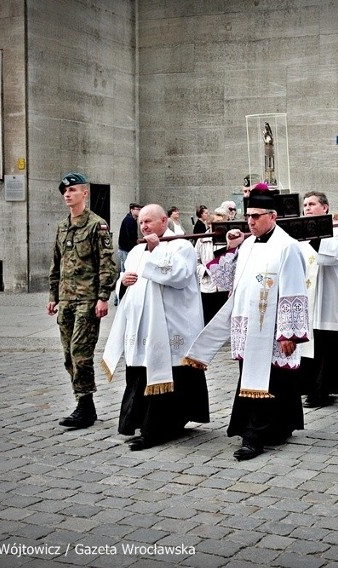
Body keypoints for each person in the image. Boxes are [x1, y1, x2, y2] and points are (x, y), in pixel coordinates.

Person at [183, 186, 310, 461]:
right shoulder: (248, 244)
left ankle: (257, 436)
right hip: (247, 326)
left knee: (274, 380)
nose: (250, 221)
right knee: (254, 378)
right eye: (248, 215)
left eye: (255, 216)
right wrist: (230, 248)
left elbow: (293, 289)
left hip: (273, 330)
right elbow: (228, 282)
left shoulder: (287, 246)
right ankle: (267, 428)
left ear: (272, 216)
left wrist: (287, 333)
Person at [101, 205, 209, 450]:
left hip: (171, 327)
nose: (144, 226)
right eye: (141, 223)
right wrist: (123, 282)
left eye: (149, 221)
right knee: (139, 374)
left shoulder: (181, 246)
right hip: (140, 326)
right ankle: (139, 422)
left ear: (164, 221)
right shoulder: (137, 250)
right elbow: (127, 278)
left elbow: (179, 275)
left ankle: (161, 427)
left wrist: (156, 249)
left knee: (168, 375)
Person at [47, 172, 116, 428]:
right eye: (65, 191)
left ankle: (85, 407)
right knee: (68, 355)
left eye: (73, 190)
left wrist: (103, 297)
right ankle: (84, 403)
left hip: (87, 301)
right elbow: (57, 263)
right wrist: (53, 295)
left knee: (80, 353)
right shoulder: (62, 226)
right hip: (66, 301)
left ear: (84, 193)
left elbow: (107, 264)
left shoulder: (97, 225)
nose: (68, 194)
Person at [298, 191, 338, 408]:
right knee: (308, 344)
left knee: (326, 344)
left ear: (325, 208)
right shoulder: (298, 232)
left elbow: (336, 254)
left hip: (327, 295)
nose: (307, 208)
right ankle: (308, 386)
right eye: (305, 205)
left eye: (312, 204)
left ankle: (323, 389)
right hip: (306, 294)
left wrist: (314, 236)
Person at [194, 208, 230, 323]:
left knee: (225, 322)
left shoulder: (230, 239)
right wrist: (205, 270)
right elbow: (195, 261)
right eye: (215, 223)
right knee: (209, 320)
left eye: (221, 223)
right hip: (208, 286)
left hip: (225, 287)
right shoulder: (202, 240)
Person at [117, 203, 142, 271]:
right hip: (126, 249)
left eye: (141, 209)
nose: (140, 211)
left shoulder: (132, 219)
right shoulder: (129, 220)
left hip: (125, 249)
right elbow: (130, 236)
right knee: (126, 269)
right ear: (132, 210)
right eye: (138, 209)